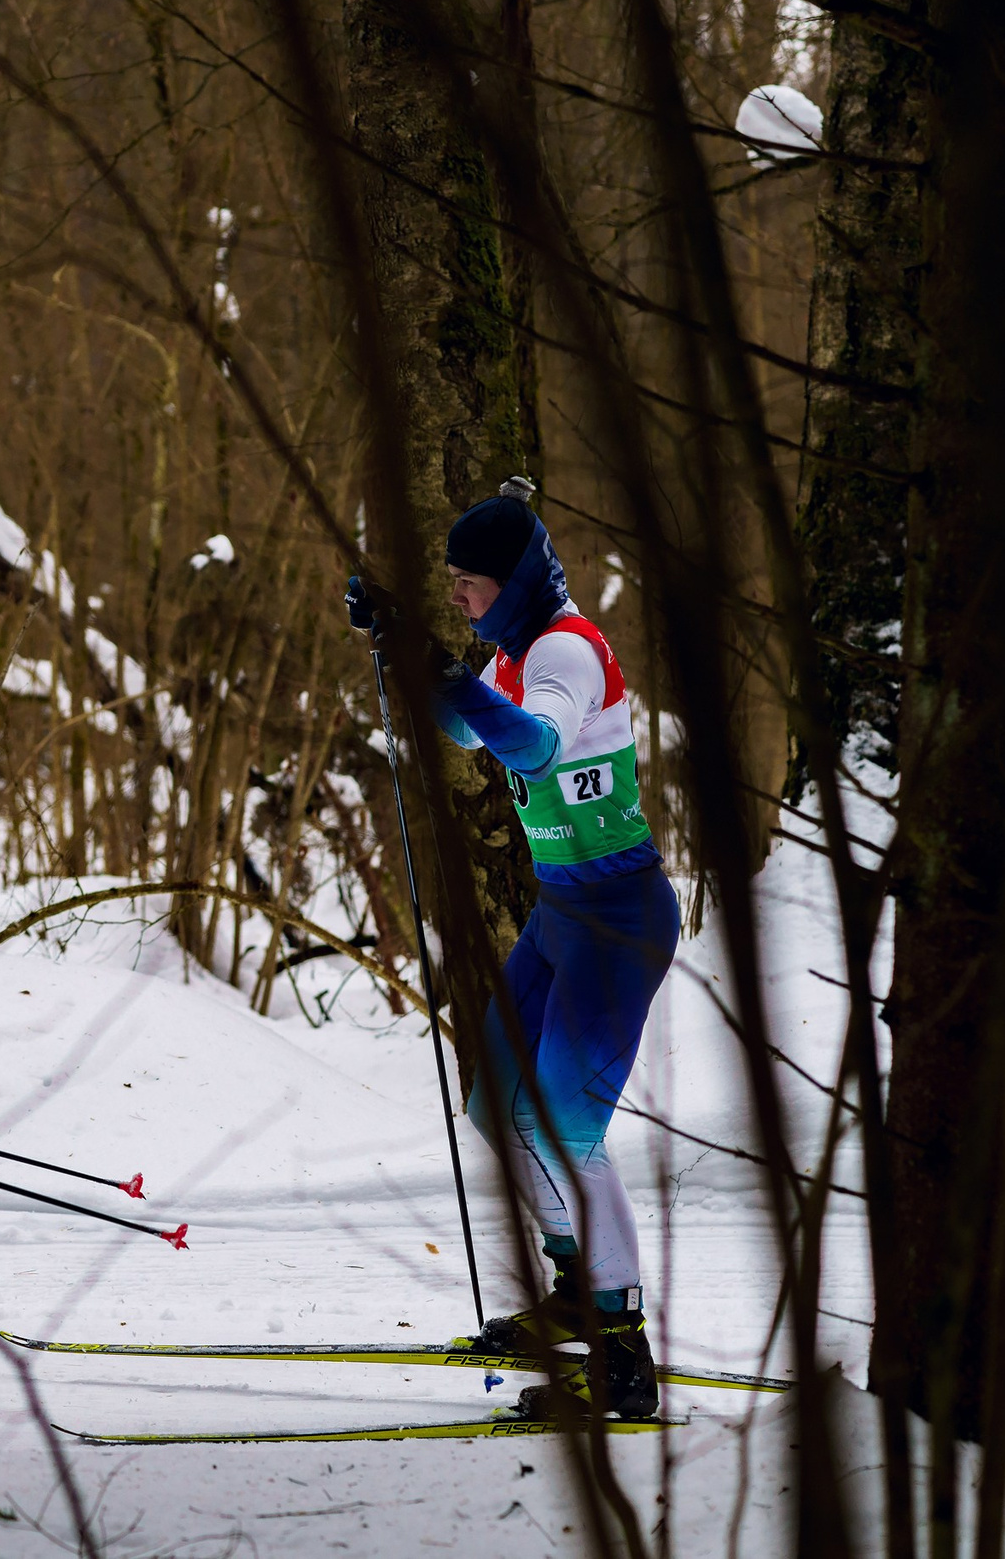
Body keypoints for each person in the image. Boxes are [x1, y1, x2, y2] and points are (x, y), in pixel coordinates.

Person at [348, 485, 679, 1421]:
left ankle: (623, 1353)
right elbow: (463, 725)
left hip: (618, 917)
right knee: (498, 1101)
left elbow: (532, 746)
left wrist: (450, 680)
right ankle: (576, 1293)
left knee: (568, 1131)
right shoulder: (517, 649)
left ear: (518, 579)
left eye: (471, 584)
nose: (462, 596)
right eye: (452, 583)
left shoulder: (567, 650)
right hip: (564, 916)